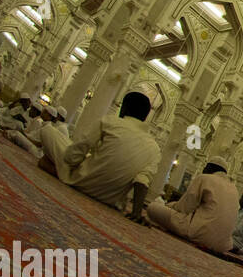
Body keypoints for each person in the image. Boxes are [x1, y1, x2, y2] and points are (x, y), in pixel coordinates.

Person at [38, 91, 160, 220]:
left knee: (48, 130)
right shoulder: (155, 148)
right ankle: (56, 168)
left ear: (124, 108)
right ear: (145, 117)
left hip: (81, 182)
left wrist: (67, 166)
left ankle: (59, 171)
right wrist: (137, 213)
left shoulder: (110, 122)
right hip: (111, 199)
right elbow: (142, 181)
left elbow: (75, 153)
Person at [141, 156, 241, 254]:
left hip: (199, 234)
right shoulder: (234, 189)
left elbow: (184, 208)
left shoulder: (204, 178)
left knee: (153, 207)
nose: (204, 169)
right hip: (222, 245)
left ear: (210, 167)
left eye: (205, 166)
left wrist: (168, 206)